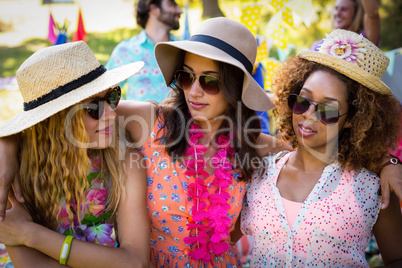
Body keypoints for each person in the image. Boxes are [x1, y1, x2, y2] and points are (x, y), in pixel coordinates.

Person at [241, 29, 402, 267]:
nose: (308, 115)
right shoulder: (259, 173)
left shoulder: (373, 187)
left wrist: (390, 162)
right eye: (303, 101)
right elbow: (215, 241)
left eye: (327, 111)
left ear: (352, 119)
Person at [0, 41, 150, 267]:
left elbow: (136, 262)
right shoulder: (14, 174)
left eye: (112, 97)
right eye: (94, 108)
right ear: (57, 121)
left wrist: (31, 235)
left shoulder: (124, 161)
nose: (111, 113)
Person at [106, 0, 182, 102]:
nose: (180, 10)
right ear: (154, 9)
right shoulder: (125, 50)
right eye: (172, 4)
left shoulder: (183, 50)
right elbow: (105, 92)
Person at [310, 0, 380, 51]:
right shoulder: (318, 46)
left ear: (355, 14)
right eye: (336, 8)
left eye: (344, 9)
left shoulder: (364, 41)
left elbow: (373, 14)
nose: (337, 13)